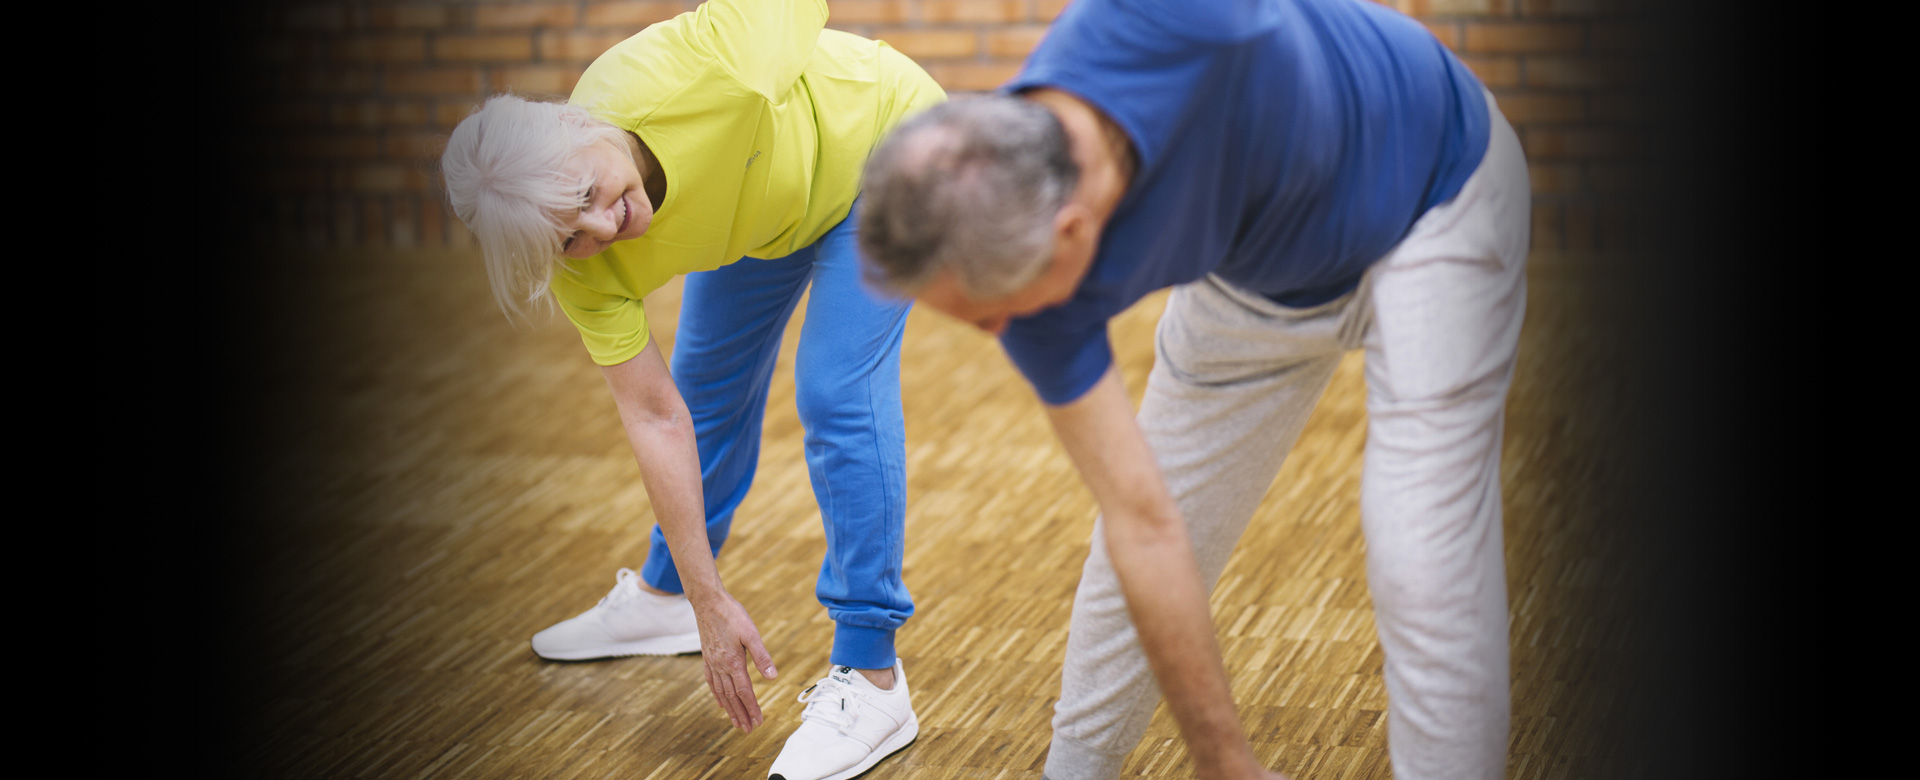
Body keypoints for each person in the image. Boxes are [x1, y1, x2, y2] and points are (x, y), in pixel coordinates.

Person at [856, 0, 1527, 778]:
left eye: (990, 316)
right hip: (1255, 278)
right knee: (1132, 535)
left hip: (1437, 200)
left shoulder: (1164, 17)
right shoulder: (1033, 283)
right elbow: (1145, 524)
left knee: (1420, 552)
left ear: (1070, 236)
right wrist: (1224, 760)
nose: (998, 336)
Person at [439, 1, 942, 777]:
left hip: (886, 146)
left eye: (585, 196)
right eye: (569, 236)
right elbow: (655, 415)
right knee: (703, 389)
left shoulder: (706, 67)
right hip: (771, 208)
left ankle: (874, 678)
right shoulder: (577, 264)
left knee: (836, 391)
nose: (604, 231)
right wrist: (712, 602)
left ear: (581, 126)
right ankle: (667, 598)